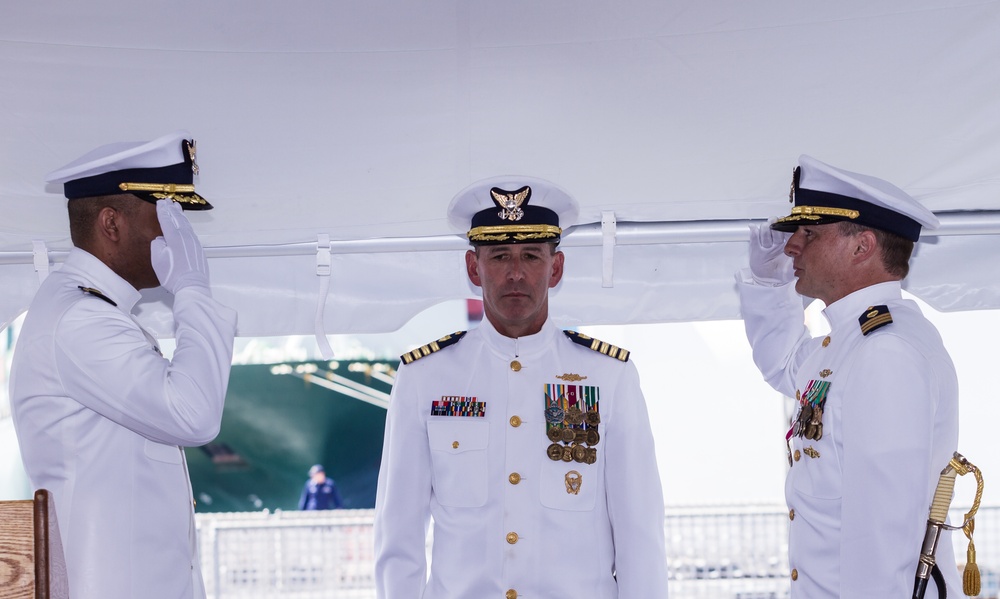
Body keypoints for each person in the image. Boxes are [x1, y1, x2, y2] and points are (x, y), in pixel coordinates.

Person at [374, 176, 669, 598]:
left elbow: (640, 534)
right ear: (474, 268)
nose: (515, 272)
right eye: (499, 257)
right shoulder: (424, 378)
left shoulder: (609, 377)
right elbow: (397, 535)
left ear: (557, 267)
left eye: (531, 255)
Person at [9, 131, 237, 599]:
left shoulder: (94, 314)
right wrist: (193, 292)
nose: (178, 238)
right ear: (111, 224)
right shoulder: (81, 320)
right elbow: (193, 415)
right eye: (167, 219)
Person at [737, 154, 960, 597]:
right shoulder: (849, 342)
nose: (791, 248)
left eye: (809, 234)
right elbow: (783, 365)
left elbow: (884, 536)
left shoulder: (885, 350)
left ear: (863, 246)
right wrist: (767, 287)